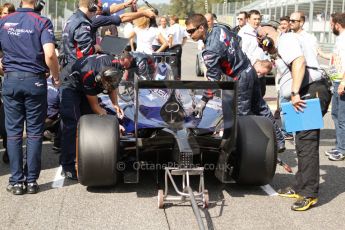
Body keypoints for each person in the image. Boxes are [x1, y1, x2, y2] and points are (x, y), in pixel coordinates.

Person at [185, 14, 285, 156]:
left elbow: (214, 81)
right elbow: (238, 40)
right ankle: (279, 141)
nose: (189, 35)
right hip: (249, 69)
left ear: (201, 28)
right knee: (261, 108)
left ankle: (243, 153)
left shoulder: (210, 51)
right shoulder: (220, 29)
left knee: (240, 117)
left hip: (241, 77)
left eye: (191, 31)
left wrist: (203, 102)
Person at [260, 23, 332, 210]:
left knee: (307, 142)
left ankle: (309, 193)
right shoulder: (284, 43)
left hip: (307, 92)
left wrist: (294, 93)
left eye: (260, 39)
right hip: (304, 91)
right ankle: (300, 184)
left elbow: (299, 62)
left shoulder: (286, 39)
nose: (260, 44)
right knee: (301, 141)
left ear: (267, 34)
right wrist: (273, 52)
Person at [0, 0, 60, 195]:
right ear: (36, 2)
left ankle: (16, 182)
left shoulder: (5, 21)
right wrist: (56, 75)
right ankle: (32, 181)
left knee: (14, 133)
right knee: (34, 133)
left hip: (11, 80)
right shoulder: (41, 21)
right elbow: (50, 54)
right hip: (35, 82)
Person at [59, 54, 124, 180]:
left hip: (87, 80)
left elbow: (112, 86)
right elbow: (96, 108)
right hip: (70, 83)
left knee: (90, 119)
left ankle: (89, 155)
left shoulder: (116, 65)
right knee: (73, 122)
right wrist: (114, 123)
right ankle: (67, 166)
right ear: (100, 78)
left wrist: (115, 104)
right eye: (105, 83)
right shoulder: (89, 76)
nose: (107, 86)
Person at [60, 0, 155, 66]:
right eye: (100, 7)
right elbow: (122, 18)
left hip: (70, 61)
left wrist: (126, 4)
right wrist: (143, 13)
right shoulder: (94, 19)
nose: (102, 10)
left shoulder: (77, 16)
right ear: (92, 7)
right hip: (78, 62)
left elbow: (110, 10)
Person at [320, 13, 345, 161]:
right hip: (337, 81)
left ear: (337, 24)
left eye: (331, 24)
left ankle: (342, 149)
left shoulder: (343, 39)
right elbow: (337, 58)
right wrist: (320, 53)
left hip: (341, 82)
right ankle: (339, 146)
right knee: (335, 115)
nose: (330, 27)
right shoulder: (340, 39)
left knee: (341, 118)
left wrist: (343, 82)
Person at [168, 15, 188, 80]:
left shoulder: (172, 27)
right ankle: (179, 78)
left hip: (173, 47)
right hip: (179, 47)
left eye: (170, 20)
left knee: (173, 65)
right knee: (178, 63)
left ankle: (175, 80)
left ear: (173, 20)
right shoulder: (181, 27)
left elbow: (170, 36)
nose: (169, 21)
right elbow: (185, 37)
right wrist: (182, 44)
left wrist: (170, 45)